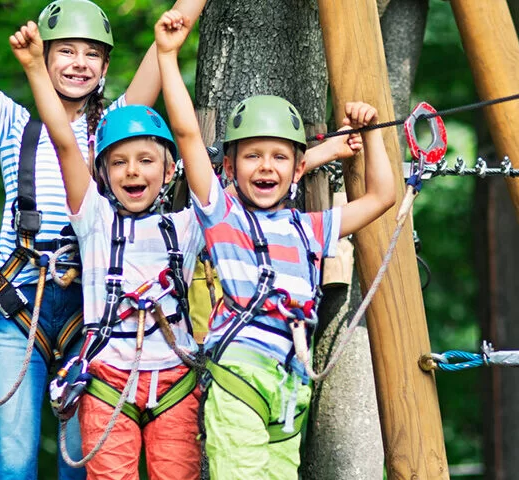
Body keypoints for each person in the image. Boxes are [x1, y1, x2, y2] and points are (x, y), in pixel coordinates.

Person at [0, 0, 204, 477]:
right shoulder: (13, 125)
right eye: (65, 51)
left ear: (105, 66)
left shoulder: (117, 128)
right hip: (19, 304)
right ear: (43, 58)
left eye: (91, 54)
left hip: (96, 315)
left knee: (82, 465)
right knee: (14, 462)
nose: (78, 63)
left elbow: (171, 34)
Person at [154, 10, 397, 478]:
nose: (266, 167)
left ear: (297, 167)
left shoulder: (310, 228)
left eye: (279, 157)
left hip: (290, 390)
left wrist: (373, 136)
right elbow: (186, 134)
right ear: (231, 165)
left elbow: (382, 197)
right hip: (240, 377)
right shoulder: (222, 215)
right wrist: (167, 55)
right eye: (253, 156)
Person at [11, 19, 205, 479]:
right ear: (102, 174)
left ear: (169, 169)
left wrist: (168, 57)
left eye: (145, 161)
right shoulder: (94, 221)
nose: (132, 172)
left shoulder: (190, 224)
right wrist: (37, 67)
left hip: (174, 381)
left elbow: (190, 136)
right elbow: (63, 142)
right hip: (106, 381)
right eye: (118, 163)